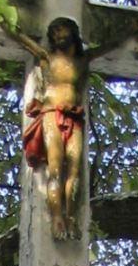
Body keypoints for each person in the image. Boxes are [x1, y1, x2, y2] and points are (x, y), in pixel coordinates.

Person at [14, 17, 88, 241]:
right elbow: (21, 39)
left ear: (72, 31)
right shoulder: (46, 57)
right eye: (54, 32)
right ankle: (57, 219)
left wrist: (132, 32)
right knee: (55, 169)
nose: (57, 35)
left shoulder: (82, 61)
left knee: (74, 170)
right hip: (51, 114)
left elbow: (110, 47)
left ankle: (70, 218)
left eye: (61, 29)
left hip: (73, 116)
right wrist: (1, 19)